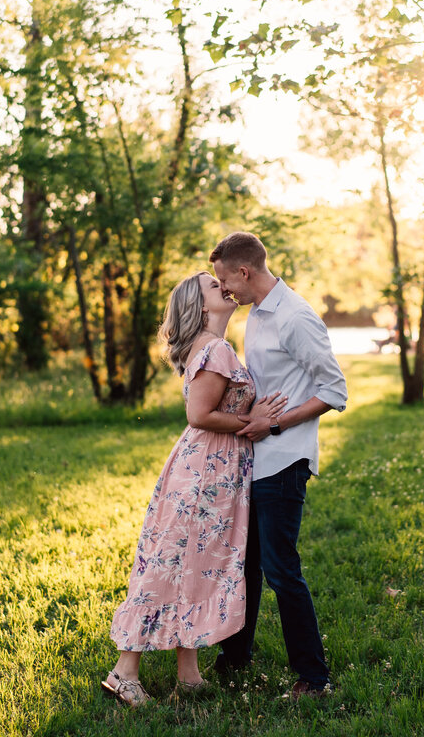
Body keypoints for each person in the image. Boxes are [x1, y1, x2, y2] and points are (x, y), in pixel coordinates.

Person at [103, 271, 287, 707]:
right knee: (170, 563)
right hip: (204, 474)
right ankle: (123, 673)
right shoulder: (216, 349)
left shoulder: (215, 348)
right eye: (211, 285)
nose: (223, 285)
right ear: (202, 305)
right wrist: (253, 421)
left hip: (216, 472)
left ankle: (189, 673)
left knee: (196, 565)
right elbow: (199, 414)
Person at [210, 232, 348, 700]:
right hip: (254, 458)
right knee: (244, 564)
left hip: (284, 459)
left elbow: (333, 391)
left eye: (225, 280)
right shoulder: (256, 316)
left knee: (280, 568)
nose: (224, 289)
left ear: (244, 272)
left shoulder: (295, 316)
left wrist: (273, 425)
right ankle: (235, 656)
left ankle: (314, 678)